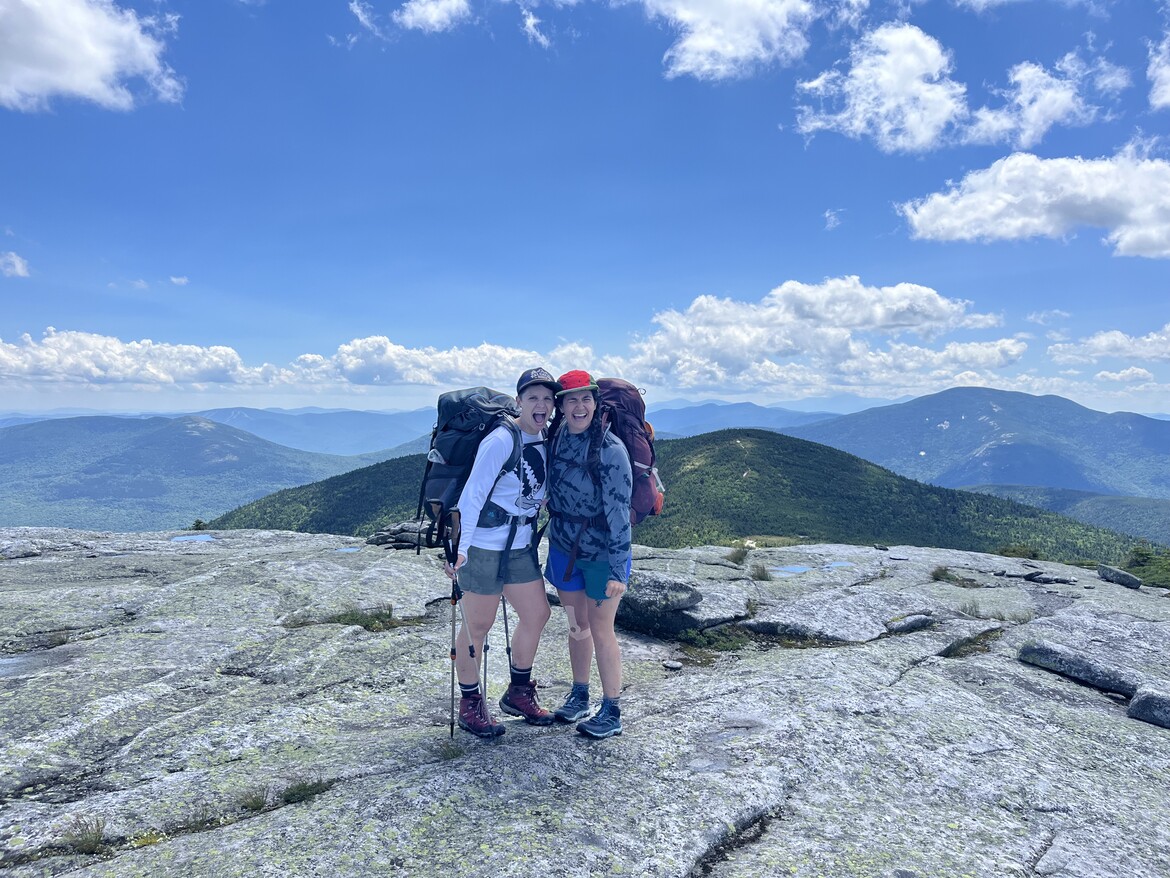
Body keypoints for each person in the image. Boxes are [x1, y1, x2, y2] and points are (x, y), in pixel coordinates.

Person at [445, 368, 559, 738]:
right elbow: (474, 494)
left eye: (547, 398)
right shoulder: (500, 439)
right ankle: (470, 704)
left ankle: (518, 693)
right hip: (485, 546)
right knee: (478, 626)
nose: (541, 405)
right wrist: (459, 549)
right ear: (519, 401)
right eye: (533, 398)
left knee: (537, 613)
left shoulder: (543, 437)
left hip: (520, 545)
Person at [545, 369, 633, 739]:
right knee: (576, 624)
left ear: (596, 404)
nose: (579, 406)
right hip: (564, 548)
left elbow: (619, 514)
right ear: (561, 406)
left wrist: (617, 571)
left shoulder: (611, 451)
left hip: (601, 555)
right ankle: (580, 693)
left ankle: (612, 709)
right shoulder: (556, 437)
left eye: (586, 399)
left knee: (601, 629)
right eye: (572, 399)